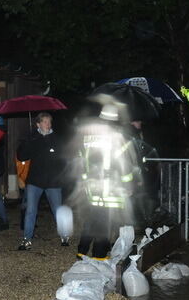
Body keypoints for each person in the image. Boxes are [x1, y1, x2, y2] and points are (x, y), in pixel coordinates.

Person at [76, 103, 140, 259]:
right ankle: (99, 256)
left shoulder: (89, 136)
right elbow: (124, 166)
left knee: (92, 218)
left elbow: (82, 159)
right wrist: (128, 184)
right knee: (105, 223)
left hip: (93, 187)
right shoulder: (118, 137)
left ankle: (81, 250)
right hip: (111, 188)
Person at [16, 112, 68, 250]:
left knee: (57, 210)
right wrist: (28, 142)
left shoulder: (56, 139)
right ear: (38, 124)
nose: (48, 124)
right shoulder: (32, 138)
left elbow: (63, 159)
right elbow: (21, 156)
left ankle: (64, 235)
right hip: (35, 181)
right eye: (45, 122)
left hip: (53, 181)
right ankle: (27, 239)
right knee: (30, 211)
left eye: (49, 122)